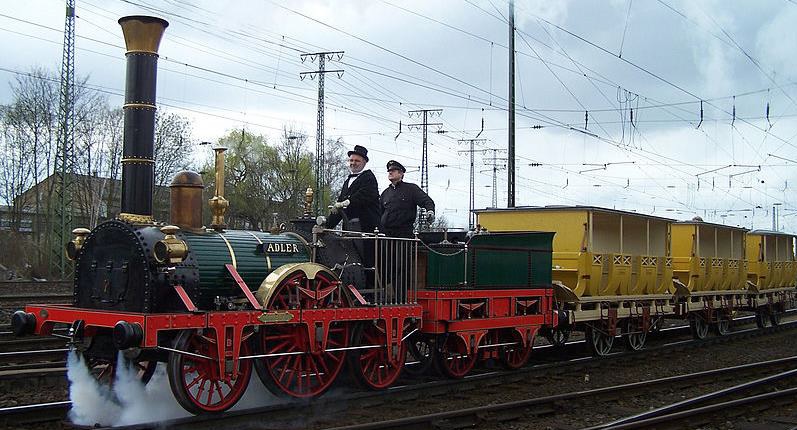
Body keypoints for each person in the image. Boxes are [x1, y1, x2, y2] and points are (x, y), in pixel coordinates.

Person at [325, 144, 380, 234]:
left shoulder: (369, 178)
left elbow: (364, 195)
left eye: (357, 161)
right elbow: (340, 205)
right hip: (349, 228)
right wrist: (326, 225)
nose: (353, 163)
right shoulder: (347, 181)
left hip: (366, 229)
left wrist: (347, 202)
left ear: (364, 162)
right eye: (351, 160)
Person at [379, 160, 435, 238]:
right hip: (386, 234)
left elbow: (427, 201)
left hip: (404, 235)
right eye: (389, 171)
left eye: (393, 171)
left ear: (401, 173)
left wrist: (430, 211)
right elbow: (379, 212)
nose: (390, 173)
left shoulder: (411, 189)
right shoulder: (385, 193)